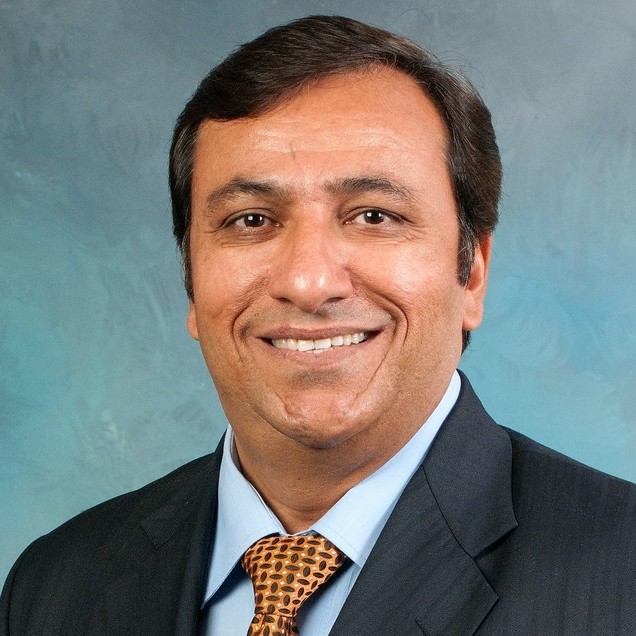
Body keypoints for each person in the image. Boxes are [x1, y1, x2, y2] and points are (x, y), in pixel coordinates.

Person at [1, 15, 635, 636]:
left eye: (374, 216)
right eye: (251, 220)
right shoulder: (55, 587)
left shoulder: (621, 576)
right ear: (191, 278)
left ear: (471, 272)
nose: (308, 282)